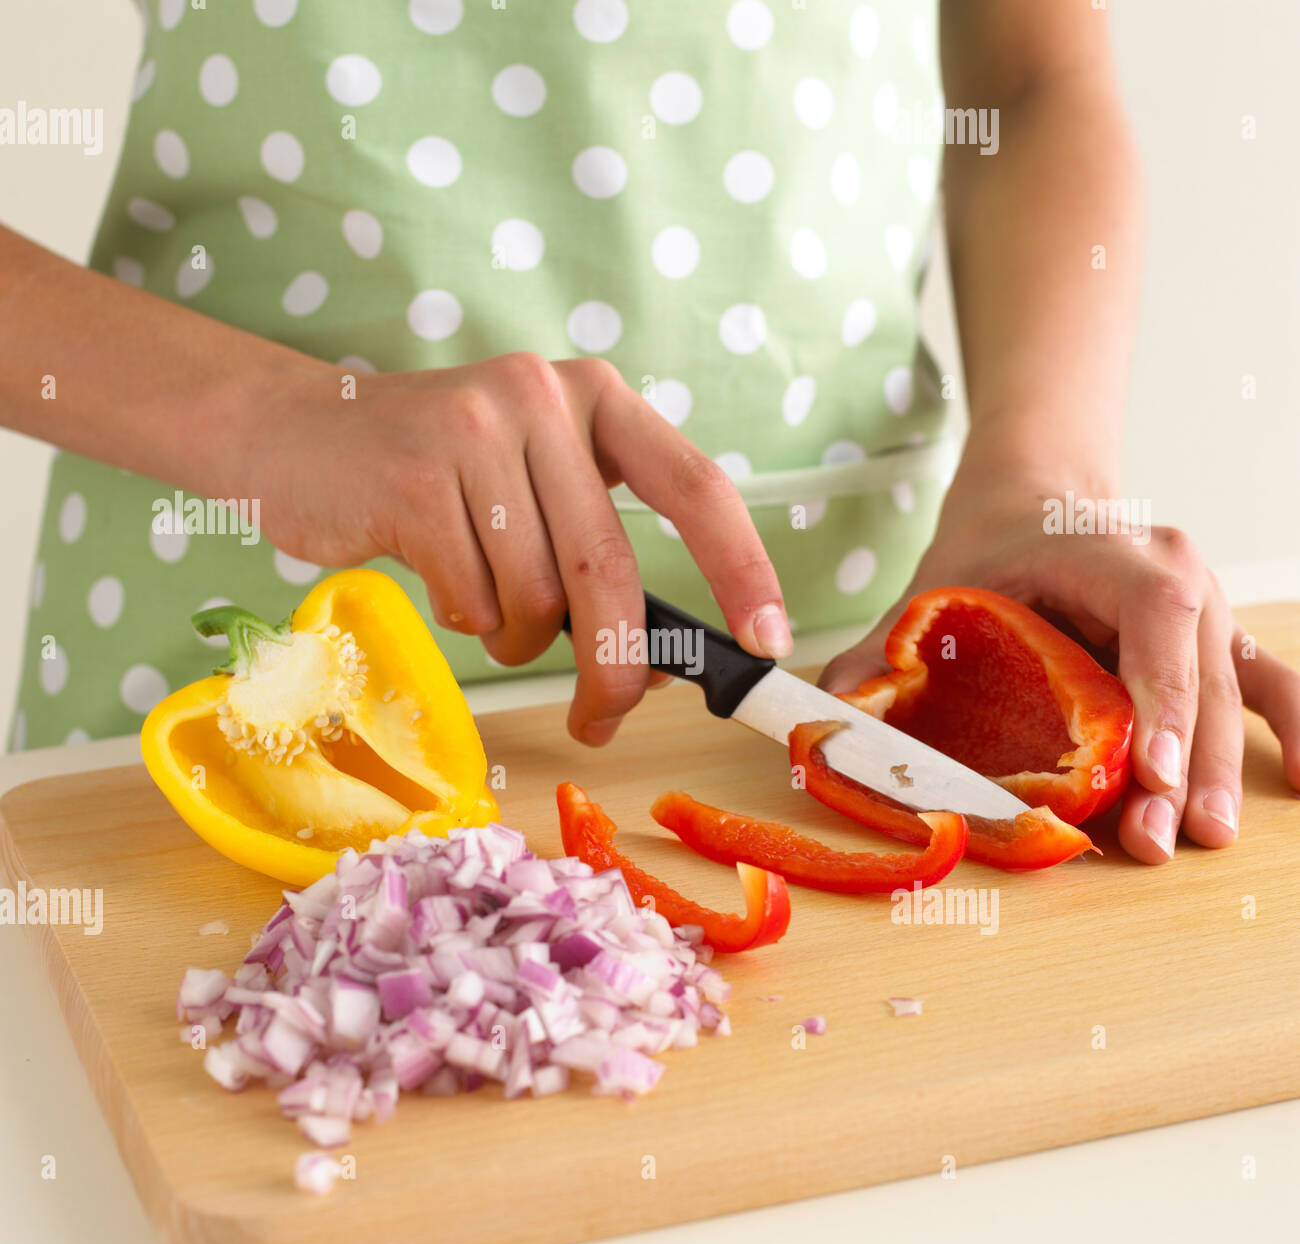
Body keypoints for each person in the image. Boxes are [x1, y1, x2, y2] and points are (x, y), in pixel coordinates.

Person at [2, 0, 1296, 866]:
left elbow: (1028, 77)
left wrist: (1042, 474)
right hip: (227, 693)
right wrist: (276, 417)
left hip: (842, 682)